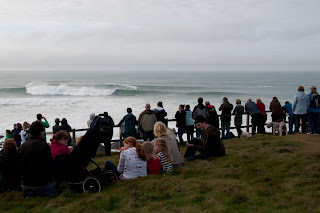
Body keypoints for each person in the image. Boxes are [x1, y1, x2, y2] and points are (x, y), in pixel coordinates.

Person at [18, 121, 57, 197]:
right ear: (40, 132)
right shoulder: (44, 146)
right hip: (39, 183)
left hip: (24, 183)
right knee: (54, 193)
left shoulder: (22, 146)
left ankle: (30, 194)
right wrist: (52, 180)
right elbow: (49, 166)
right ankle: (35, 193)